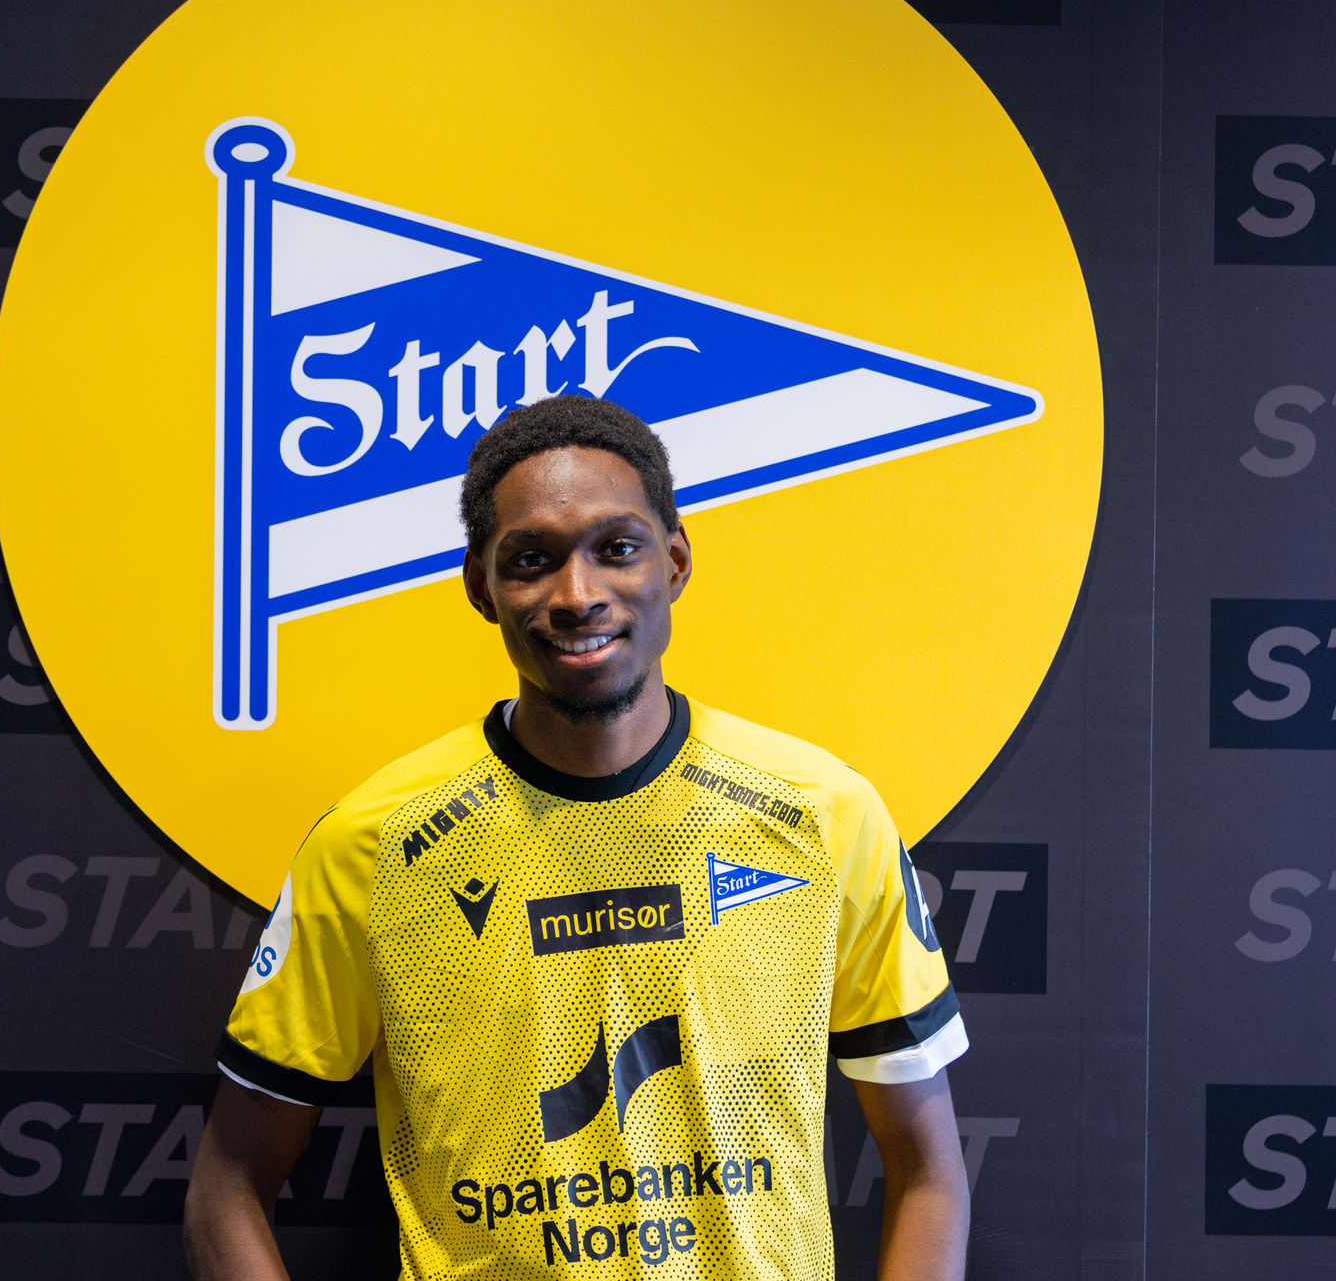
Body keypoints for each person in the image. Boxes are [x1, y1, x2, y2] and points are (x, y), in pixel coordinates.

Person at [186, 395, 971, 1281]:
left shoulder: (822, 814)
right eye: (531, 560)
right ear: (480, 587)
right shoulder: (372, 845)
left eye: (617, 548)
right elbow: (227, 1187)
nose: (577, 595)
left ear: (674, 562)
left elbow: (928, 1175)